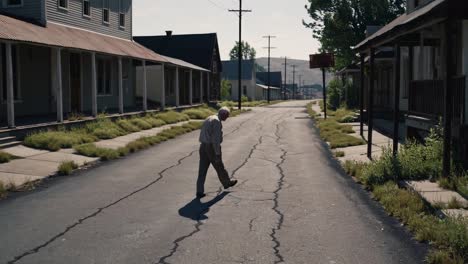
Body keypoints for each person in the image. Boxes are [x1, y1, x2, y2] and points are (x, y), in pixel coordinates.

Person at [197, 107, 237, 198]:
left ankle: (199, 191)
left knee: (202, 169)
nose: (227, 117)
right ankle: (227, 183)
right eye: (227, 116)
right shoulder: (217, 122)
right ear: (223, 114)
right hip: (211, 147)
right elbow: (216, 140)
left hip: (203, 146)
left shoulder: (210, 118)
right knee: (219, 166)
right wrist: (217, 154)